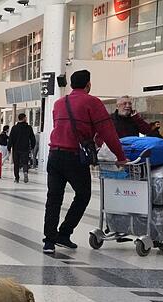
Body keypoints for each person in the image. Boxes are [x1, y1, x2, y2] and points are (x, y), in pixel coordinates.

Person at [43, 69, 127, 255]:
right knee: (83, 194)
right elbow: (108, 132)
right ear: (88, 84)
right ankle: (64, 233)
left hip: (54, 155)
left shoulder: (58, 103)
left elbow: (62, 127)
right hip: (74, 157)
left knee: (54, 198)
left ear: (72, 84)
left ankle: (49, 241)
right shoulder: (92, 102)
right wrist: (120, 157)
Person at [8, 114, 36, 183]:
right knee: (25, 162)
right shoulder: (29, 127)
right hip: (25, 148)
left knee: (16, 164)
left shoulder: (14, 128)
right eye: (26, 117)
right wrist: (32, 146)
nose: (26, 118)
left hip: (16, 149)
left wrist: (9, 147)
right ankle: (25, 172)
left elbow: (11, 139)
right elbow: (32, 138)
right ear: (24, 118)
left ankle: (16, 178)